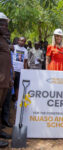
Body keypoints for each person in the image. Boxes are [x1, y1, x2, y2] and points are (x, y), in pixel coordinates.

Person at [0, 12, 11, 148]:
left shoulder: (3, 39)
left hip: (4, 79)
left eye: (5, 24)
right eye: (1, 23)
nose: (4, 26)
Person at [11, 37, 28, 102]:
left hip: (20, 71)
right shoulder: (13, 47)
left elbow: (25, 62)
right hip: (13, 70)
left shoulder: (25, 50)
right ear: (18, 41)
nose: (22, 42)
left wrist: (25, 71)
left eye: (24, 41)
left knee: (17, 86)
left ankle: (16, 100)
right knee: (10, 85)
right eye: (21, 41)